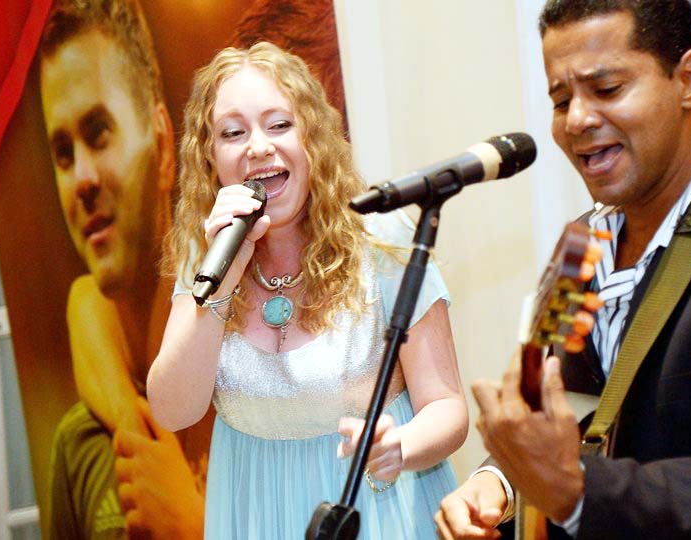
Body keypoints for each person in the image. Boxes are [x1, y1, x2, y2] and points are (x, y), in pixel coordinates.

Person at [435, 1, 691, 538]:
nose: (578, 120)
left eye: (607, 89)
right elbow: (555, 407)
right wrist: (499, 481)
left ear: (689, 80)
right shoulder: (581, 244)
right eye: (561, 99)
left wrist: (576, 491)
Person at [146, 41, 468, 539]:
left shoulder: (384, 241)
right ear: (210, 157)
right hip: (253, 518)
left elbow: (447, 408)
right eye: (233, 133)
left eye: (279, 125)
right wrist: (224, 281)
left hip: (375, 513)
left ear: (313, 139)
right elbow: (173, 410)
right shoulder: (207, 253)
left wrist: (399, 445)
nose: (257, 147)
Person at [38, 0, 206, 537]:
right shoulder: (79, 441)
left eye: (99, 132)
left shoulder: (256, 387)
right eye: (63, 152)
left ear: (160, 141)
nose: (81, 177)